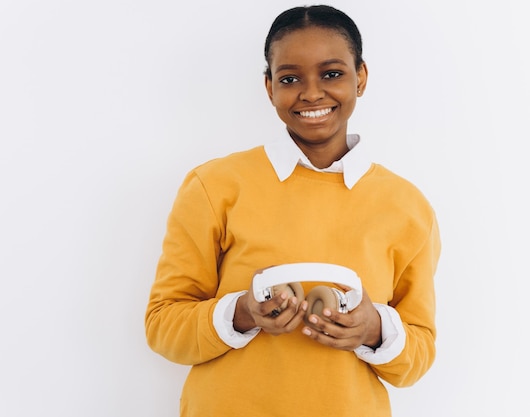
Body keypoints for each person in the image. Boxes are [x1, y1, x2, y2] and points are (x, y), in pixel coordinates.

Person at [145, 4, 441, 417]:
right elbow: (163, 326)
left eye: (332, 73)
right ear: (269, 87)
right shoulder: (214, 186)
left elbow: (419, 354)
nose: (312, 93)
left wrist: (373, 328)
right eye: (290, 78)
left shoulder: (407, 207)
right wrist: (243, 313)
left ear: (361, 77)